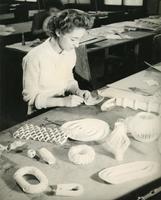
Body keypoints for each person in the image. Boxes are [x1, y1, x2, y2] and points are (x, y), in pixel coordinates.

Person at [22, 9, 94, 115]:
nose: (77, 45)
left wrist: (78, 91)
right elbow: (30, 99)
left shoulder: (69, 51)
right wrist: (62, 101)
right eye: (73, 39)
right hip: (40, 112)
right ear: (58, 32)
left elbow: (68, 80)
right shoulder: (34, 58)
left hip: (63, 104)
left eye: (79, 39)